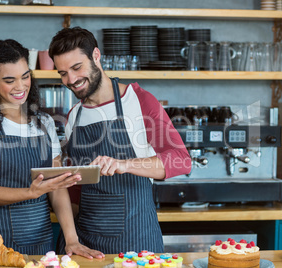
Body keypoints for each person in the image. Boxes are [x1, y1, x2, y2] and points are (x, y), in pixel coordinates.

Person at [0, 39, 104, 259]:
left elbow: (57, 185)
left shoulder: (43, 122)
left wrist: (72, 239)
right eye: (9, 80)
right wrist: (31, 192)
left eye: (25, 76)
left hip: (42, 245)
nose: (20, 86)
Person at [48, 27, 192, 254]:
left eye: (77, 68)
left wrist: (125, 164)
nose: (71, 80)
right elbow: (75, 187)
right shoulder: (74, 115)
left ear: (96, 56)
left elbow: (181, 161)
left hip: (135, 241)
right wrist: (70, 239)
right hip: (86, 242)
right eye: (63, 73)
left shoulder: (139, 100)